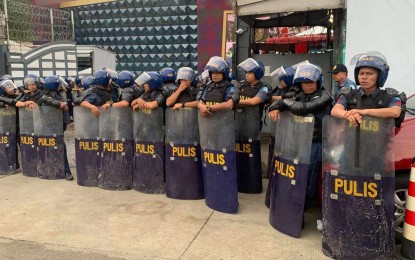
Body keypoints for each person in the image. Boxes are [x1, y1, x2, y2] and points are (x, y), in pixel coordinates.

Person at [268, 62, 332, 205]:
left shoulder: (325, 96)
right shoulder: (298, 94)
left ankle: (303, 203)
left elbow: (303, 108)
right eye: (304, 82)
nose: (308, 85)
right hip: (297, 140)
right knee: (291, 170)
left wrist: (283, 103)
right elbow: (275, 104)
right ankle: (291, 199)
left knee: (308, 172)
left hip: (316, 141)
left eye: (311, 82)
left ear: (318, 82)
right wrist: (276, 107)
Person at [331, 53, 401, 125]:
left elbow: (395, 112)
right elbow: (335, 110)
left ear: (380, 76)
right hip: (352, 135)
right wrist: (347, 114)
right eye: (361, 73)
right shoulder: (349, 94)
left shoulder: (389, 96)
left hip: (379, 136)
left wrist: (364, 112)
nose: (364, 77)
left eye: (369, 74)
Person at [39, 75, 74, 180]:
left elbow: (66, 106)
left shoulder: (57, 94)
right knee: (55, 147)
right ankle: (63, 170)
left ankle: (64, 170)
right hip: (49, 126)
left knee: (59, 147)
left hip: (57, 125)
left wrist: (63, 101)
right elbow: (55, 104)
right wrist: (60, 104)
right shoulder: (44, 95)